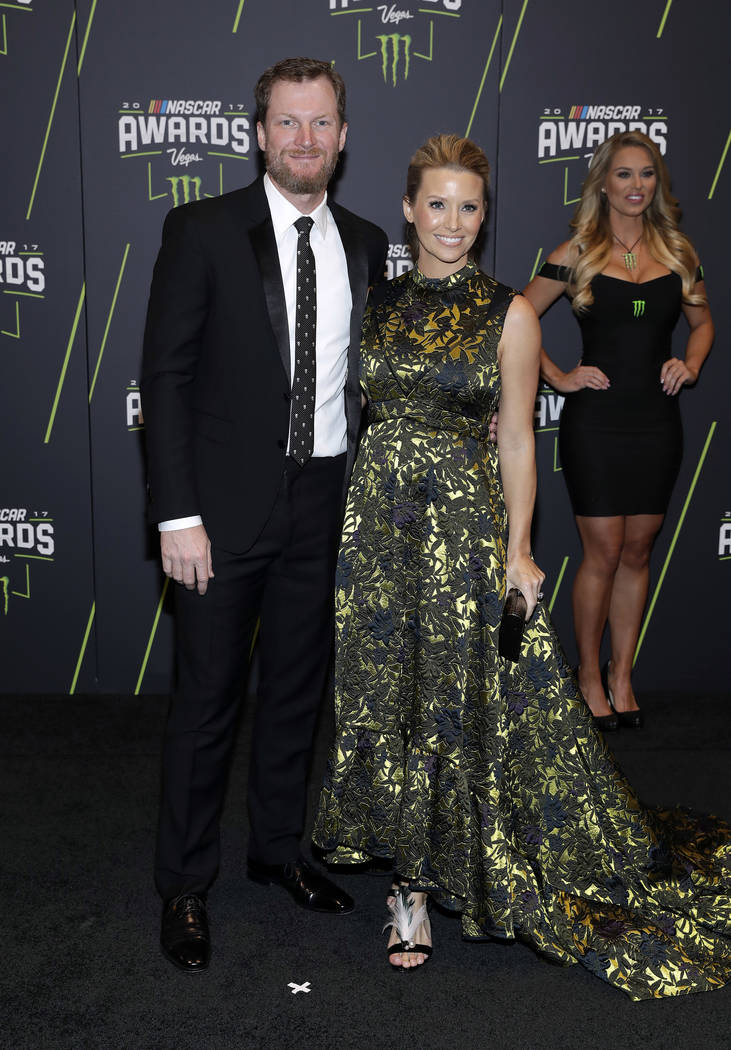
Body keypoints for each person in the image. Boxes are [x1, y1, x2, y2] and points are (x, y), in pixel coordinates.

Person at [313, 134, 731, 998]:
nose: (452, 223)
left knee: (451, 702)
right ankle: (407, 876)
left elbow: (512, 437)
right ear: (407, 208)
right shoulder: (375, 302)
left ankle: (423, 890)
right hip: (379, 532)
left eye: (469, 207)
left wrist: (518, 551)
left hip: (460, 531)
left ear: (483, 214)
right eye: (436, 204)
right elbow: (350, 413)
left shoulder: (509, 313)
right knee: (385, 697)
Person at [141, 57, 388, 973]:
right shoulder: (202, 229)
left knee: (295, 694)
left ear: (343, 136)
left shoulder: (363, 242)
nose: (305, 140)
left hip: (323, 500)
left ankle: (277, 850)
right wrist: (176, 516)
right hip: (218, 511)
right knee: (206, 704)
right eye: (288, 122)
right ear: (258, 133)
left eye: (322, 124)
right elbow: (163, 379)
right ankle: (184, 886)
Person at [523, 131, 714, 730]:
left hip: (656, 423)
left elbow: (703, 324)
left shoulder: (679, 251)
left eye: (647, 174)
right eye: (625, 174)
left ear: (657, 184)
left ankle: (622, 674)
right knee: (603, 551)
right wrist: (557, 375)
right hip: (596, 426)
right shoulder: (575, 250)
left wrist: (692, 362)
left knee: (638, 550)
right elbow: (519, 315)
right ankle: (586, 674)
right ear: (603, 182)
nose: (637, 186)